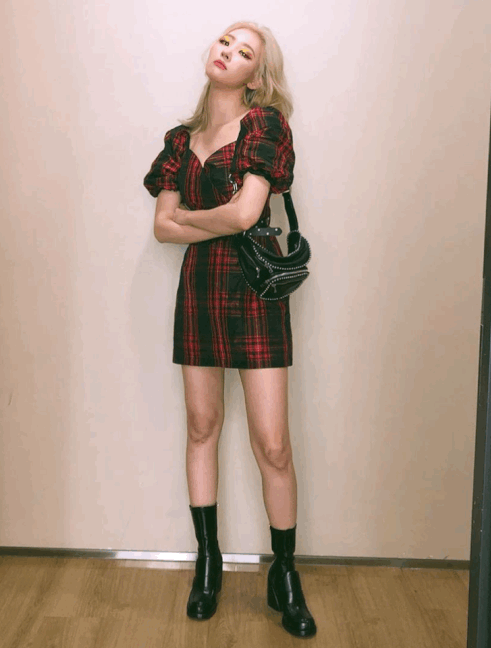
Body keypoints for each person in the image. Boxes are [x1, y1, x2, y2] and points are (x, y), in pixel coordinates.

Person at [143, 21, 316, 638]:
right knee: (202, 427)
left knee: (274, 444)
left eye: (245, 52)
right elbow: (160, 228)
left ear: (256, 75)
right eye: (225, 42)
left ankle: (284, 572)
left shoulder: (265, 126)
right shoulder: (179, 139)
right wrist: (205, 219)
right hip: (199, 288)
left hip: (254, 288)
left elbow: (246, 215)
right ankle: (208, 563)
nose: (228, 53)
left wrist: (190, 217)